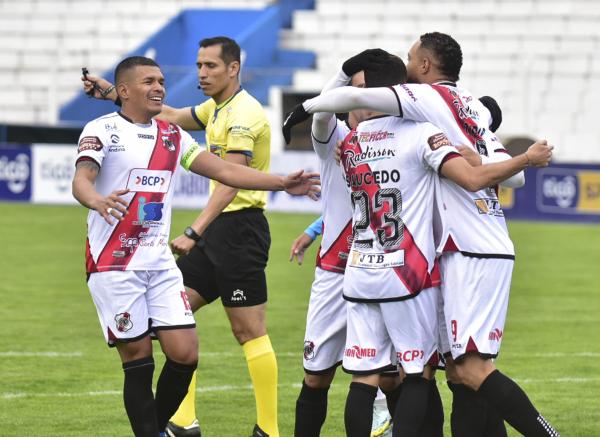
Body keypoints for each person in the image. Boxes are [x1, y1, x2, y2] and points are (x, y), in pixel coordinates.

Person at [283, 32, 560, 437]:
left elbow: (345, 106)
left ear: (424, 67)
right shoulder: (439, 125)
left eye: (411, 57)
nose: (407, 64)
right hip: (421, 265)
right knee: (445, 373)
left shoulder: (371, 133)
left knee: (449, 371)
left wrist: (306, 106)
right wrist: (512, 157)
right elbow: (505, 176)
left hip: (375, 267)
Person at [73, 55, 319, 437]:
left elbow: (224, 170)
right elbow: (81, 181)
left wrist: (281, 182)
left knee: (185, 354)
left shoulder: (172, 136)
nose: (159, 87)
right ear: (124, 91)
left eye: (161, 80)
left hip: (160, 265)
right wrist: (97, 200)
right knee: (138, 357)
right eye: (149, 81)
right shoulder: (101, 130)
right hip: (114, 264)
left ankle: (156, 428)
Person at [286, 49, 401, 437]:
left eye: (369, 92)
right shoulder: (334, 140)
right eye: (353, 93)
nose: (359, 100)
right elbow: (320, 114)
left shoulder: (404, 141)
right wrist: (344, 71)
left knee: (392, 377)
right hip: (335, 275)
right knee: (316, 376)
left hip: (385, 274)